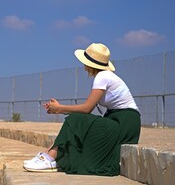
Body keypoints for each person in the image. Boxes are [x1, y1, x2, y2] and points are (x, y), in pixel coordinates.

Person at [23, 43, 141, 176]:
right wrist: (59, 109)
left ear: (90, 64)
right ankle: (49, 156)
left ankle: (50, 157)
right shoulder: (105, 76)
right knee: (79, 125)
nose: (84, 67)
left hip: (123, 123)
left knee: (76, 119)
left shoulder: (103, 76)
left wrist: (59, 108)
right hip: (121, 121)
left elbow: (87, 108)